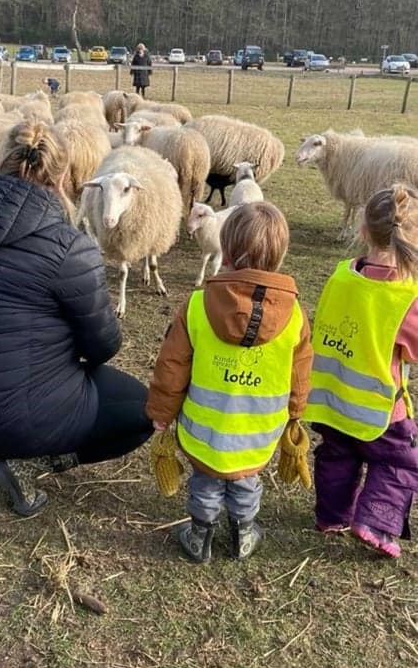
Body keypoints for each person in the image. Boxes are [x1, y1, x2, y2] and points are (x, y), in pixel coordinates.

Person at [0, 121, 154, 517]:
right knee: (139, 410)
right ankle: (26, 462)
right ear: (63, 175)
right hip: (11, 412)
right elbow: (103, 345)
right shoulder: (70, 248)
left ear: (3, 162)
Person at [146, 202, 313, 562]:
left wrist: (161, 412)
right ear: (280, 254)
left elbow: (172, 365)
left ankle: (200, 536)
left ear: (229, 247)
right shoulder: (295, 315)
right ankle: (243, 533)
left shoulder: (196, 305)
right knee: (245, 480)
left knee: (206, 481)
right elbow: (300, 371)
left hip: (206, 428)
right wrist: (296, 413)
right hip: (258, 432)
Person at [305, 184, 418, 559]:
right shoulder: (406, 296)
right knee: (400, 462)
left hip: (332, 402)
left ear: (363, 230)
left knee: (337, 456)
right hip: (382, 411)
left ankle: (331, 517)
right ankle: (376, 521)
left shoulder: (341, 276)